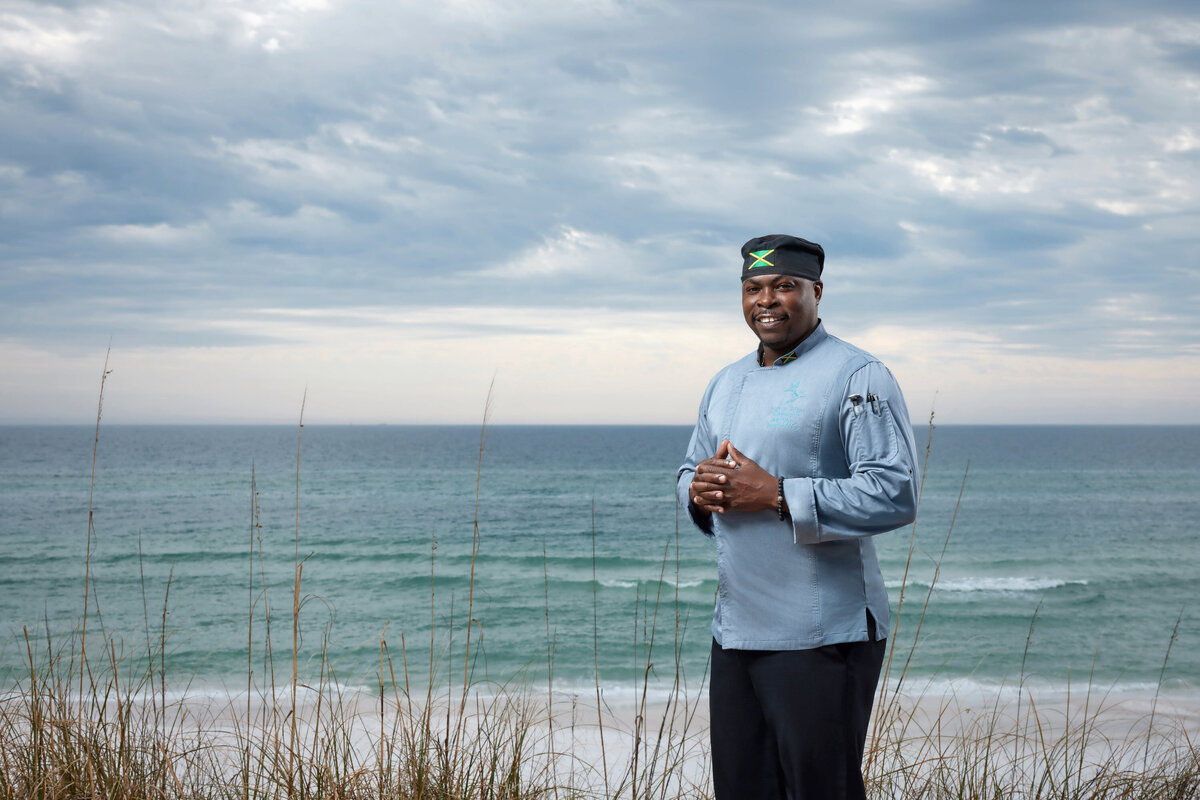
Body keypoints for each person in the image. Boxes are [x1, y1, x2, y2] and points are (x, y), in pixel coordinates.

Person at [677, 234, 919, 800]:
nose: (767, 299)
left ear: (816, 291)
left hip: (822, 633)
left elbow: (895, 492)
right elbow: (690, 469)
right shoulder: (725, 381)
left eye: (784, 286)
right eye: (753, 287)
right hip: (736, 631)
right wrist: (700, 491)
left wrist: (777, 494)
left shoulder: (859, 375)